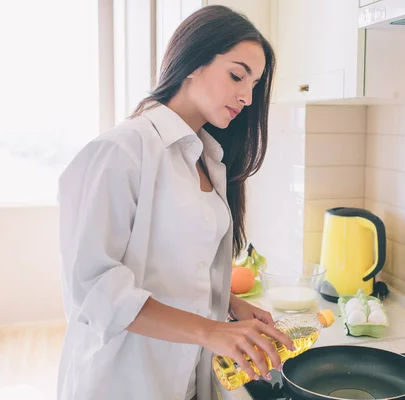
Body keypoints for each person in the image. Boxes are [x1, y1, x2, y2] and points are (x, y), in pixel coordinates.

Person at [56, 5, 294, 400]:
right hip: (121, 383)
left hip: (184, 379)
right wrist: (211, 330)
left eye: (254, 84)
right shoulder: (122, 150)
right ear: (192, 62)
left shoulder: (207, 158)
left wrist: (228, 303)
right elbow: (94, 288)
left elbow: (176, 270)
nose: (248, 97)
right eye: (237, 75)